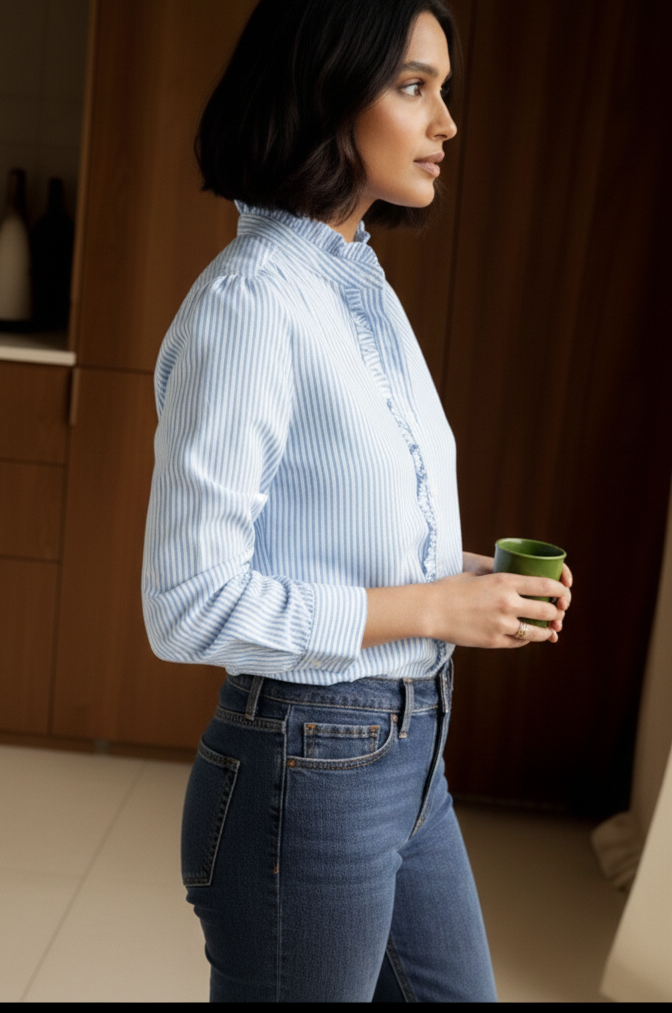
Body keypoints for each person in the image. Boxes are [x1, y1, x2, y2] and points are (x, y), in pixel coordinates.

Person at [142, 0, 572, 1002]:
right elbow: (187, 601)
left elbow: (333, 531)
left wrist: (474, 580)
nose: (447, 122)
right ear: (326, 89)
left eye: (444, 91)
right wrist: (433, 609)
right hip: (307, 769)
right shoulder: (250, 303)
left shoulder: (359, 278)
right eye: (416, 88)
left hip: (412, 752)